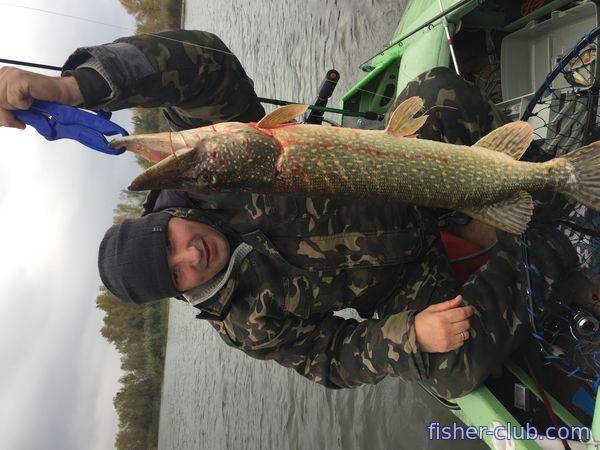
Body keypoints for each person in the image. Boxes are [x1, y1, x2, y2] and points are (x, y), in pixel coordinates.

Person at [0, 30, 576, 399]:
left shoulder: (226, 168)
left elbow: (206, 65)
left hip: (405, 173)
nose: (189, 255)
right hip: (404, 278)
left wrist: (73, 88)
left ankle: (545, 181)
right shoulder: (243, 322)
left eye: (168, 241)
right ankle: (548, 254)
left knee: (437, 93)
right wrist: (409, 337)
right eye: (175, 273)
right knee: (451, 365)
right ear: (180, 292)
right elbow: (330, 358)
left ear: (165, 219)